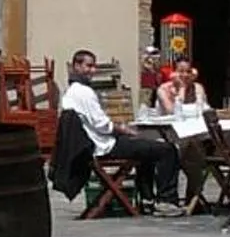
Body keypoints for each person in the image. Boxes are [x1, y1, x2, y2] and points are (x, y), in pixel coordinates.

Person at [59, 49, 179, 206]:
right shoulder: (84, 93)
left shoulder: (70, 93)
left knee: (146, 148)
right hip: (104, 145)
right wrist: (124, 129)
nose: (93, 71)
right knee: (167, 150)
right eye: (88, 66)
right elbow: (103, 125)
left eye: (94, 66)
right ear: (77, 66)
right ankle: (166, 200)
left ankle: (147, 198)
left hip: (94, 144)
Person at [153, 55, 212, 207]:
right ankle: (172, 198)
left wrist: (195, 92)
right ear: (173, 72)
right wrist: (182, 90)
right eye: (180, 72)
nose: (184, 75)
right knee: (185, 151)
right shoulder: (163, 90)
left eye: (188, 72)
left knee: (196, 153)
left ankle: (193, 198)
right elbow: (172, 112)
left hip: (192, 134)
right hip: (168, 135)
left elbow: (202, 109)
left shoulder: (197, 87)